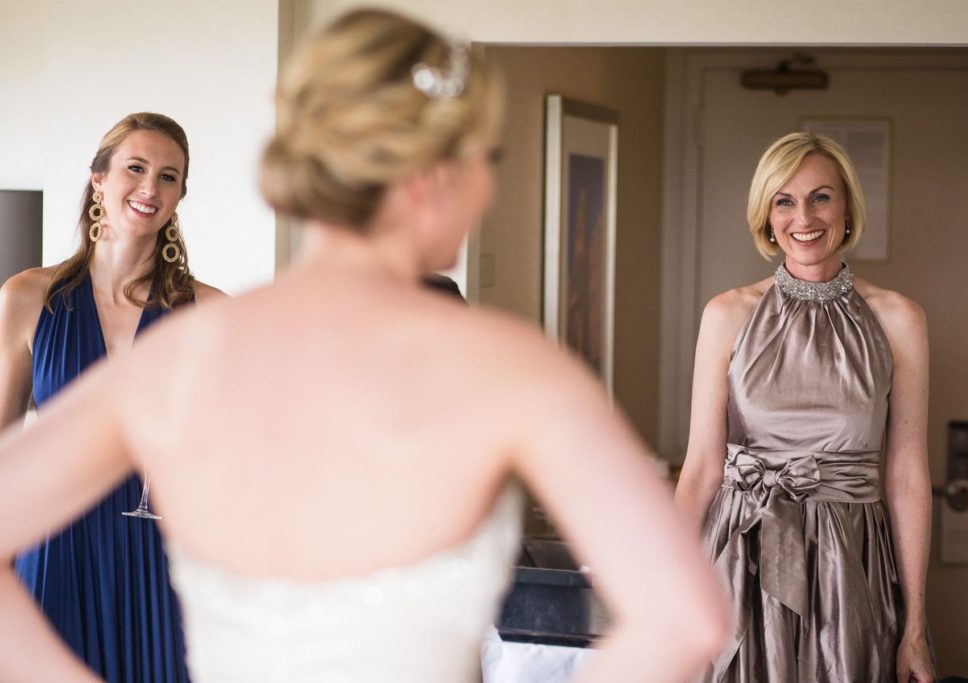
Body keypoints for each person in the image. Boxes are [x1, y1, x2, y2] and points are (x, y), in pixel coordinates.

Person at [0, 9, 727, 683]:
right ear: (431, 171)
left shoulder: (186, 350)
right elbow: (686, 618)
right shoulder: (510, 367)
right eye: (484, 158)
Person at [675, 132, 936, 683]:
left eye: (821, 197)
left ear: (846, 210)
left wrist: (915, 624)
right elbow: (701, 467)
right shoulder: (726, 315)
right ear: (766, 217)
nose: (804, 217)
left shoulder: (899, 319)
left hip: (852, 564)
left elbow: (908, 476)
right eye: (784, 200)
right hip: (739, 554)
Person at [0, 112, 223, 681]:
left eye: (169, 177)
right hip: (54, 551)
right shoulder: (28, 297)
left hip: (164, 559)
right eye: (136, 168)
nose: (150, 188)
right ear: (99, 178)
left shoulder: (211, 312)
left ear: (180, 196)